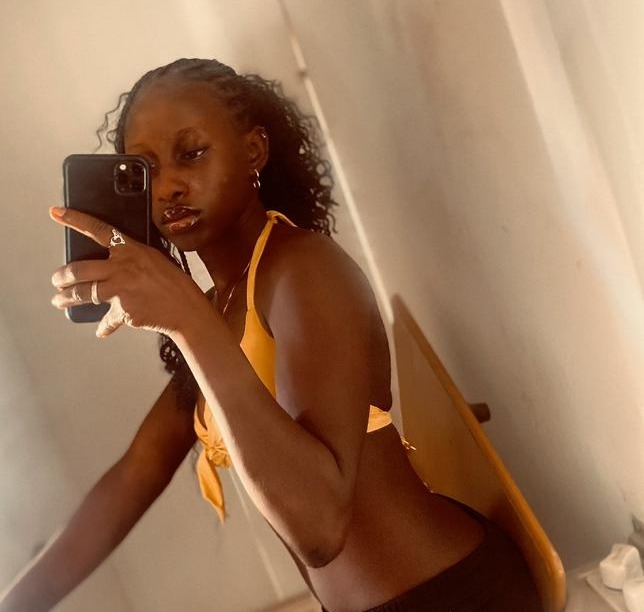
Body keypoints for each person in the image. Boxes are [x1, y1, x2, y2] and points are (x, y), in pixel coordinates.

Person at [0, 58, 542, 612]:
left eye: (192, 154)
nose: (168, 187)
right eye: (146, 169)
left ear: (253, 152)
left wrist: (186, 318)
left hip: (457, 596)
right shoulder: (219, 306)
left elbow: (319, 531)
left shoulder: (304, 269)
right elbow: (134, 475)